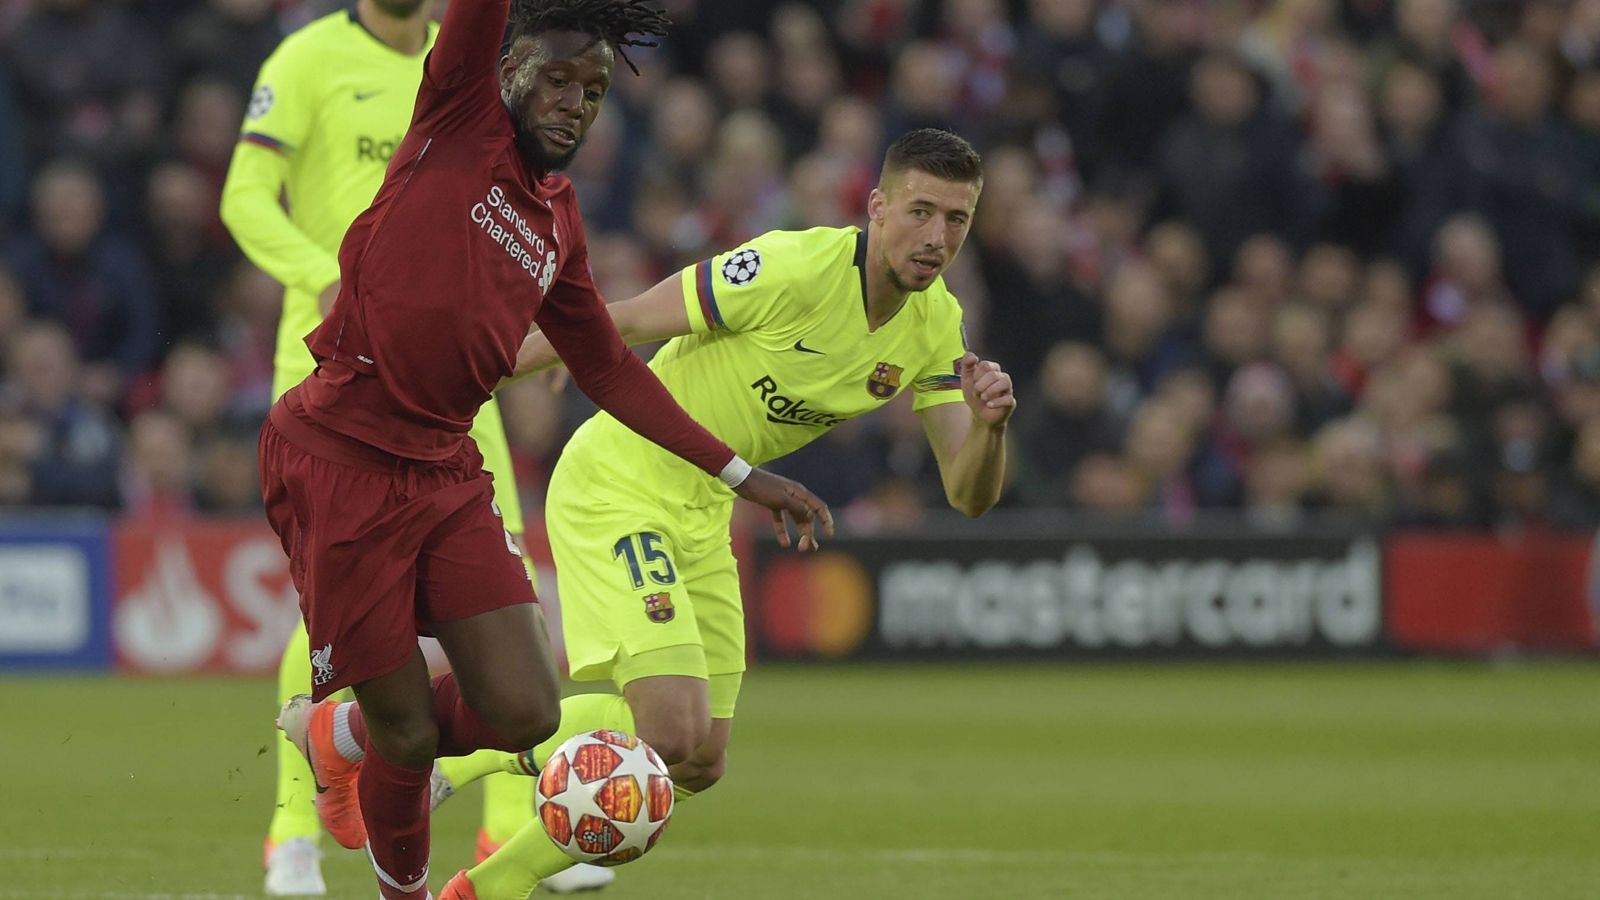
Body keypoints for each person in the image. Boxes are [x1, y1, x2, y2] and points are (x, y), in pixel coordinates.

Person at [257, 0, 832, 898]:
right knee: (408, 733)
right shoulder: (457, 118)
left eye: (594, 91)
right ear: (508, 72)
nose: (575, 102)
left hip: (445, 468)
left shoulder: (558, 221)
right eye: (557, 79)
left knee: (525, 710)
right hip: (341, 456)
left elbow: (608, 365)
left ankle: (334, 736)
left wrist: (742, 474)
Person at [423, 128, 1014, 898]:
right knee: (666, 726)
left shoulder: (935, 324)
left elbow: (968, 494)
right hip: (621, 482)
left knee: (698, 761)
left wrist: (992, 428)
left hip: (703, 508)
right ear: (877, 206)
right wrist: (456, 383)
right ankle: (439, 756)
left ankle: (475, 885)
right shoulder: (791, 268)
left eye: (957, 220)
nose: (936, 238)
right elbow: (627, 319)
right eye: (920, 211)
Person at [218, 0, 604, 892]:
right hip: (335, 365)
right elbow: (242, 193)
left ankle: (510, 833)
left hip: (457, 386)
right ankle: (292, 837)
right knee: (339, 625)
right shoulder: (310, 57)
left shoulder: (474, 66)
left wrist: (532, 331)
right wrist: (321, 273)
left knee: (508, 587)